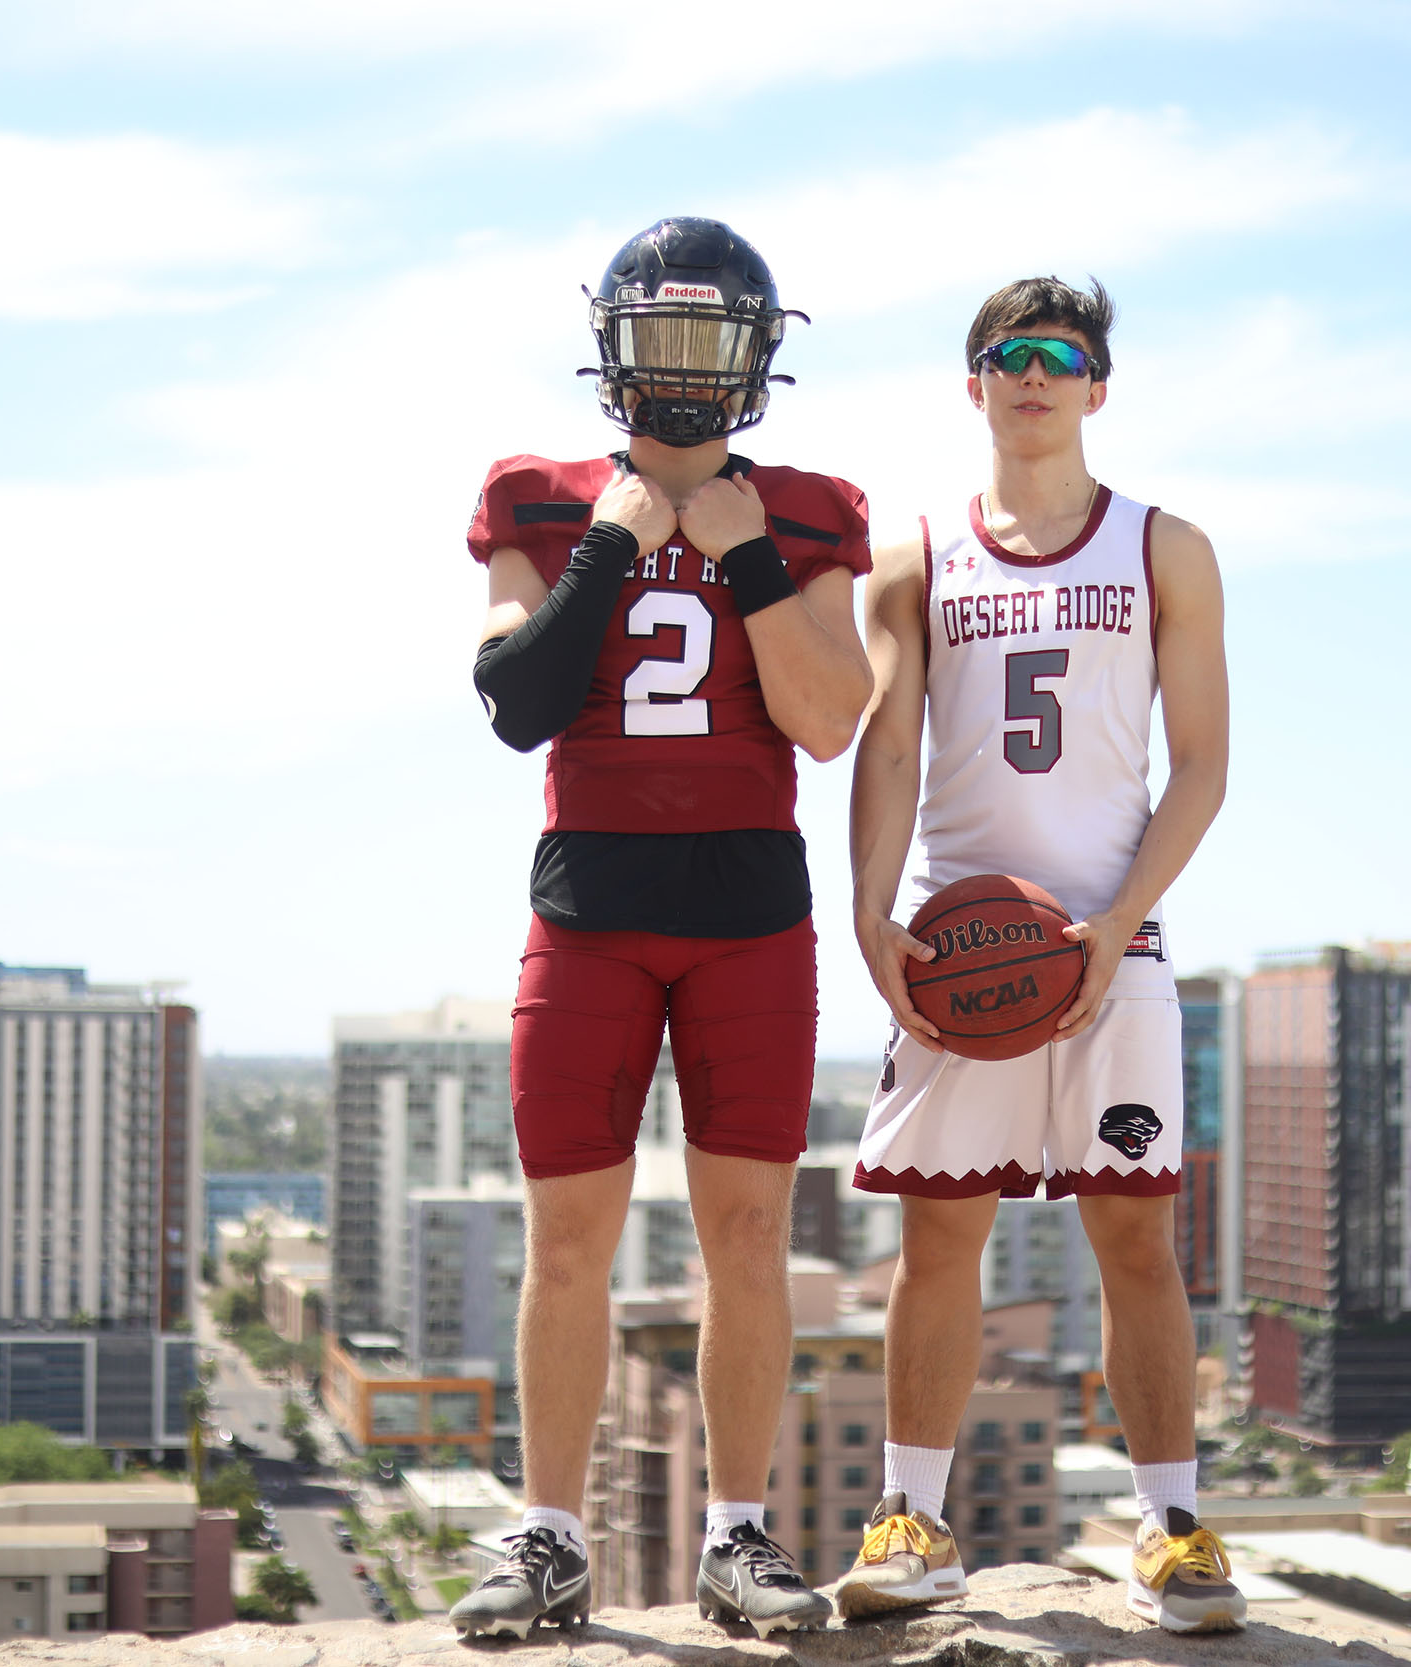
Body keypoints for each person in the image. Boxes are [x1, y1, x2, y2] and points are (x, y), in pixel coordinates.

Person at [451, 217, 873, 1639]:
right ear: (613, 348)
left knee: (746, 1236)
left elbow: (826, 721)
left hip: (750, 909)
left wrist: (747, 557)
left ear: (758, 362)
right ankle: (551, 1537)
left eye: (712, 341)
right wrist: (612, 551)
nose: (684, 371)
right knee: (567, 1238)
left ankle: (739, 1536)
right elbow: (517, 705)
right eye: (663, 337)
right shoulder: (541, 496)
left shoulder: (813, 510)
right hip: (593, 903)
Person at [837, 277, 1242, 1634]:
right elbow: (889, 747)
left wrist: (1118, 920)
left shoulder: (1163, 547)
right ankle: (912, 1517)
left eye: (1060, 355)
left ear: (1097, 387)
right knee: (937, 1233)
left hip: (1109, 944)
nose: (1033, 374)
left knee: (1137, 1235)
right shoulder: (915, 556)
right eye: (1007, 355)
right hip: (962, 945)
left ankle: (1174, 1529)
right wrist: (870, 911)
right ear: (974, 385)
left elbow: (1206, 768)